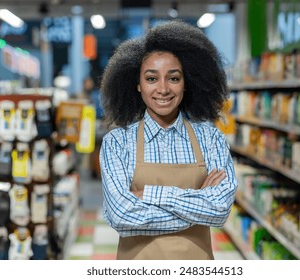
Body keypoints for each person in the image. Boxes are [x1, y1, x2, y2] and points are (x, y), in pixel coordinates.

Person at [99, 20, 238, 260]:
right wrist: (197, 204)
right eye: (152, 79)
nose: (163, 89)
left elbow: (219, 211)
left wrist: (150, 195)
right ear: (138, 85)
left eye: (173, 78)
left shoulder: (210, 137)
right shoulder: (117, 143)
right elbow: (121, 217)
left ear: (186, 83)